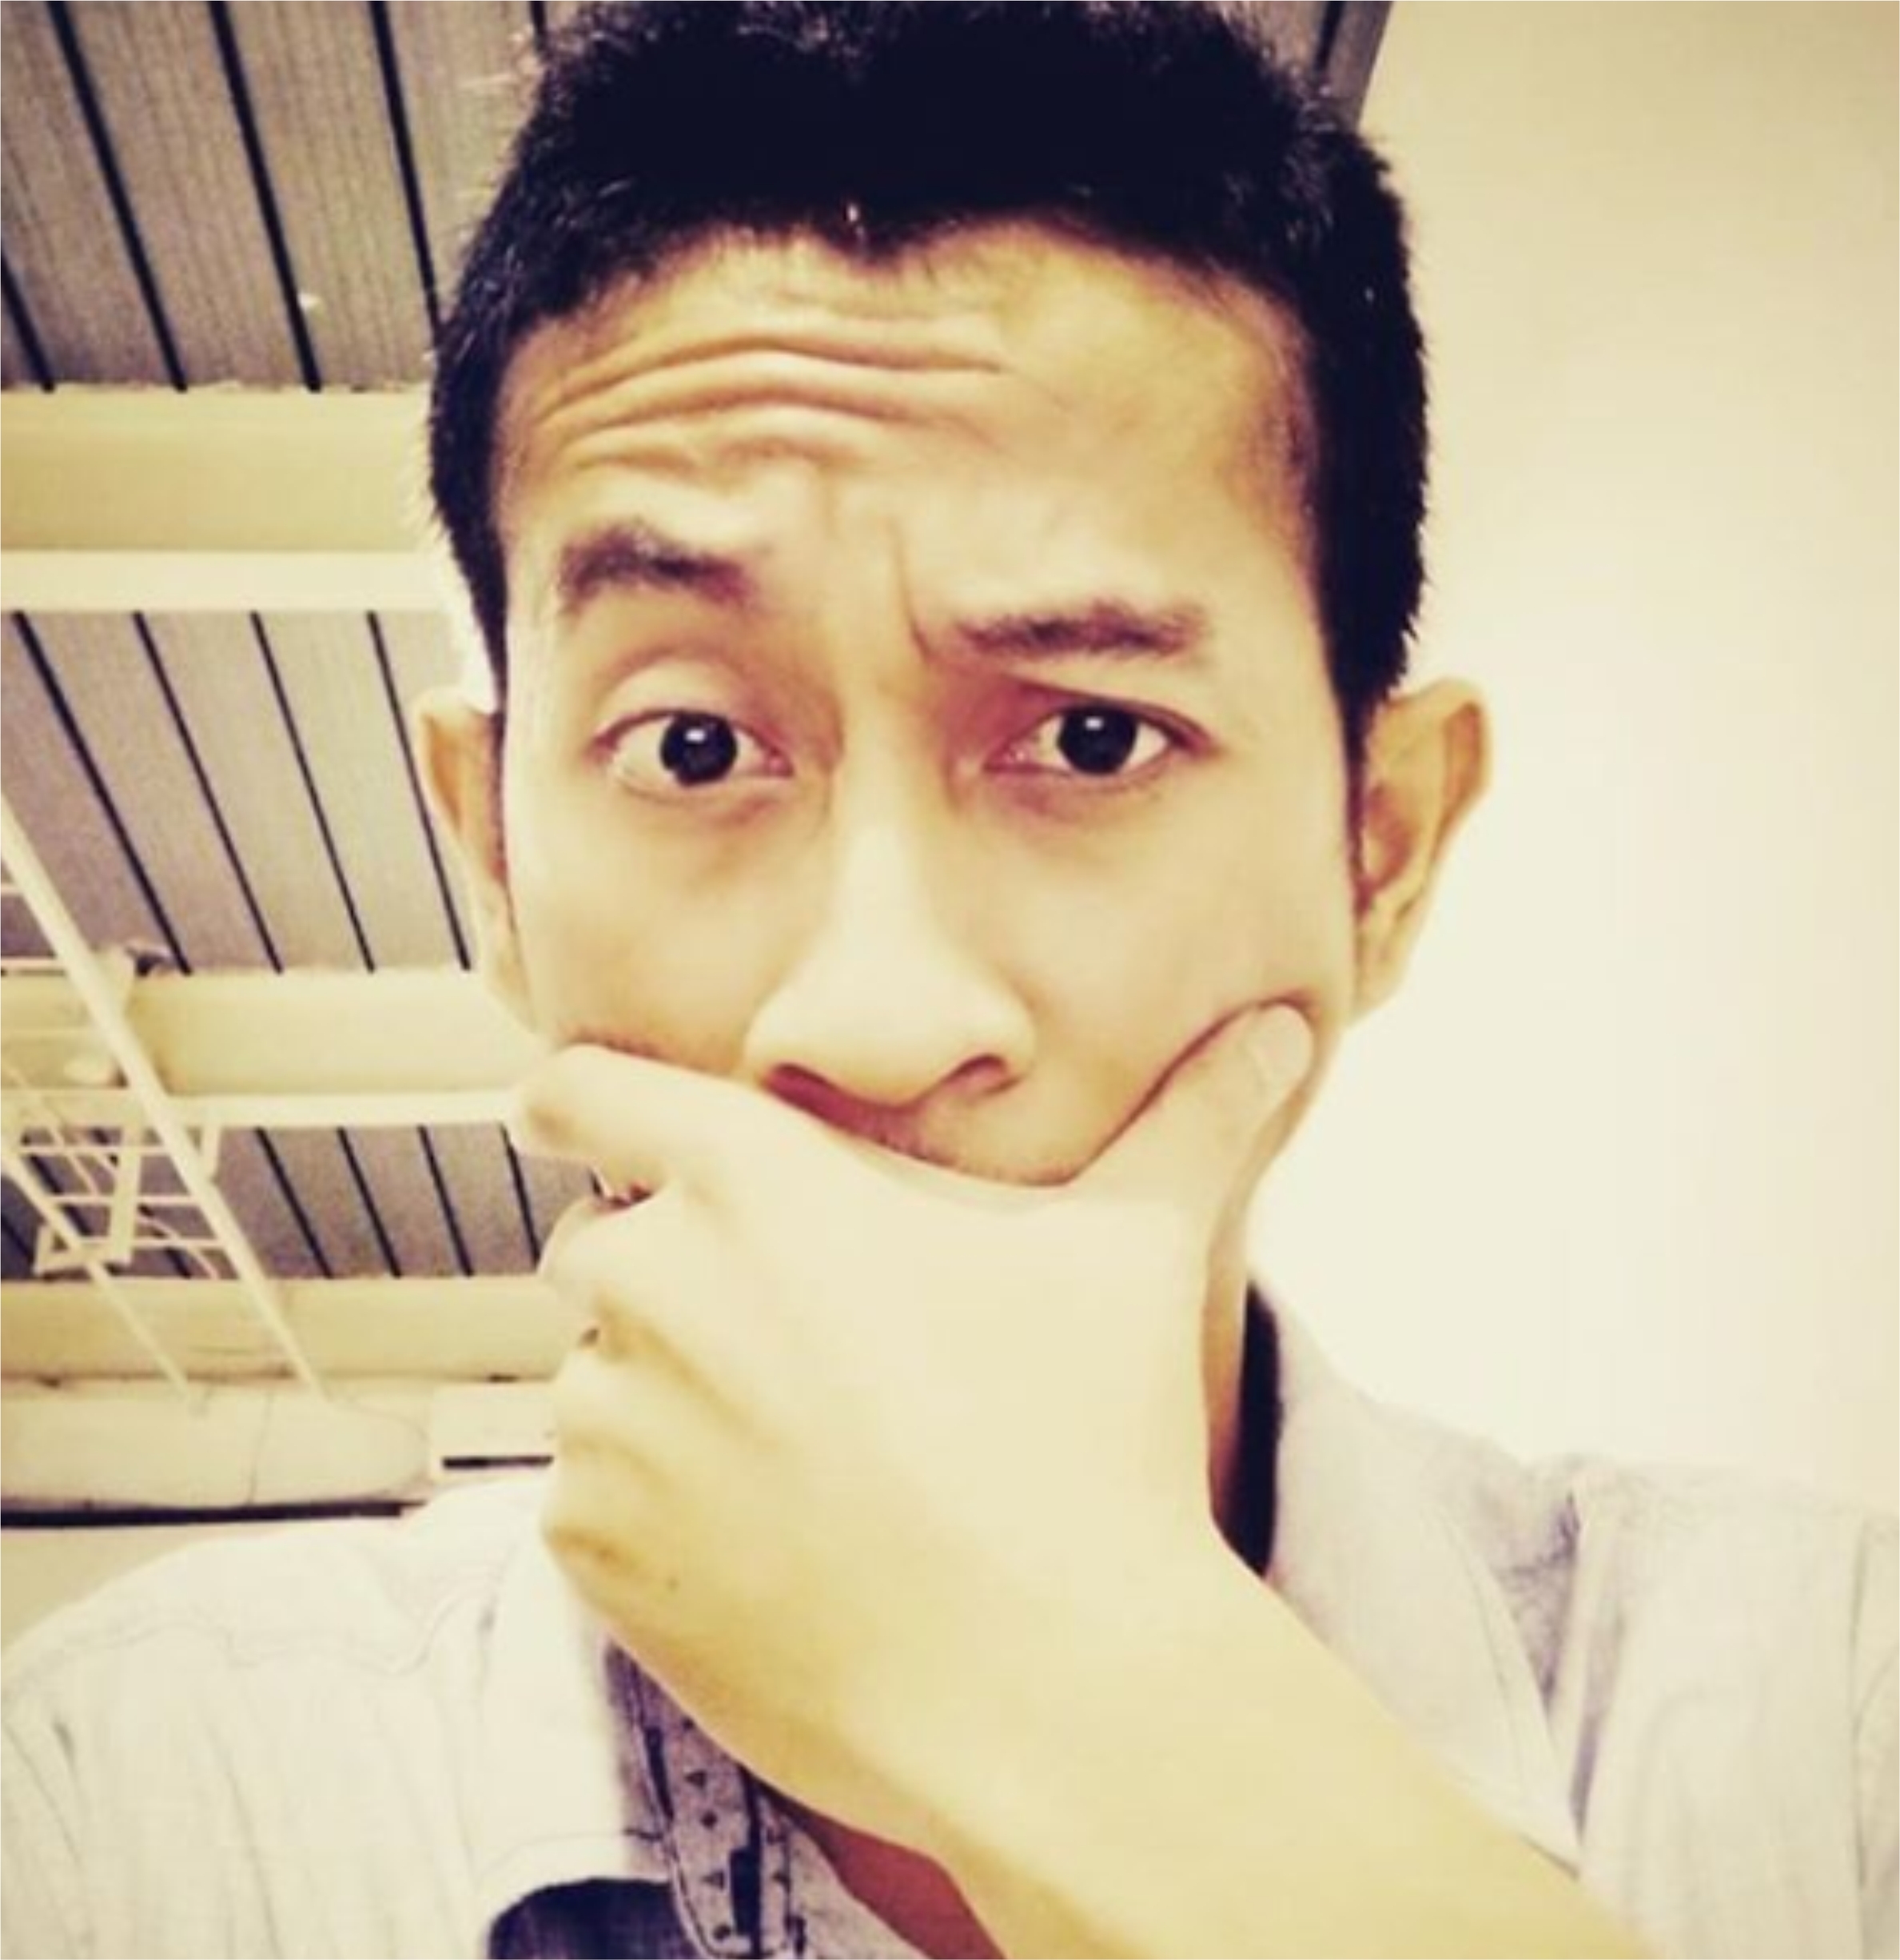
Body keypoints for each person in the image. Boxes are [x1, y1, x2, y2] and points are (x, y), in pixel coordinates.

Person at [3, 5, 1891, 1956]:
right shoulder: (123, 1813)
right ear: (492, 855)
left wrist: (1087, 1715)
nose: (873, 1009)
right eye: (691, 746)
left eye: (1090, 736)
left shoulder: (1829, 1730)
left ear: (1379, 848)